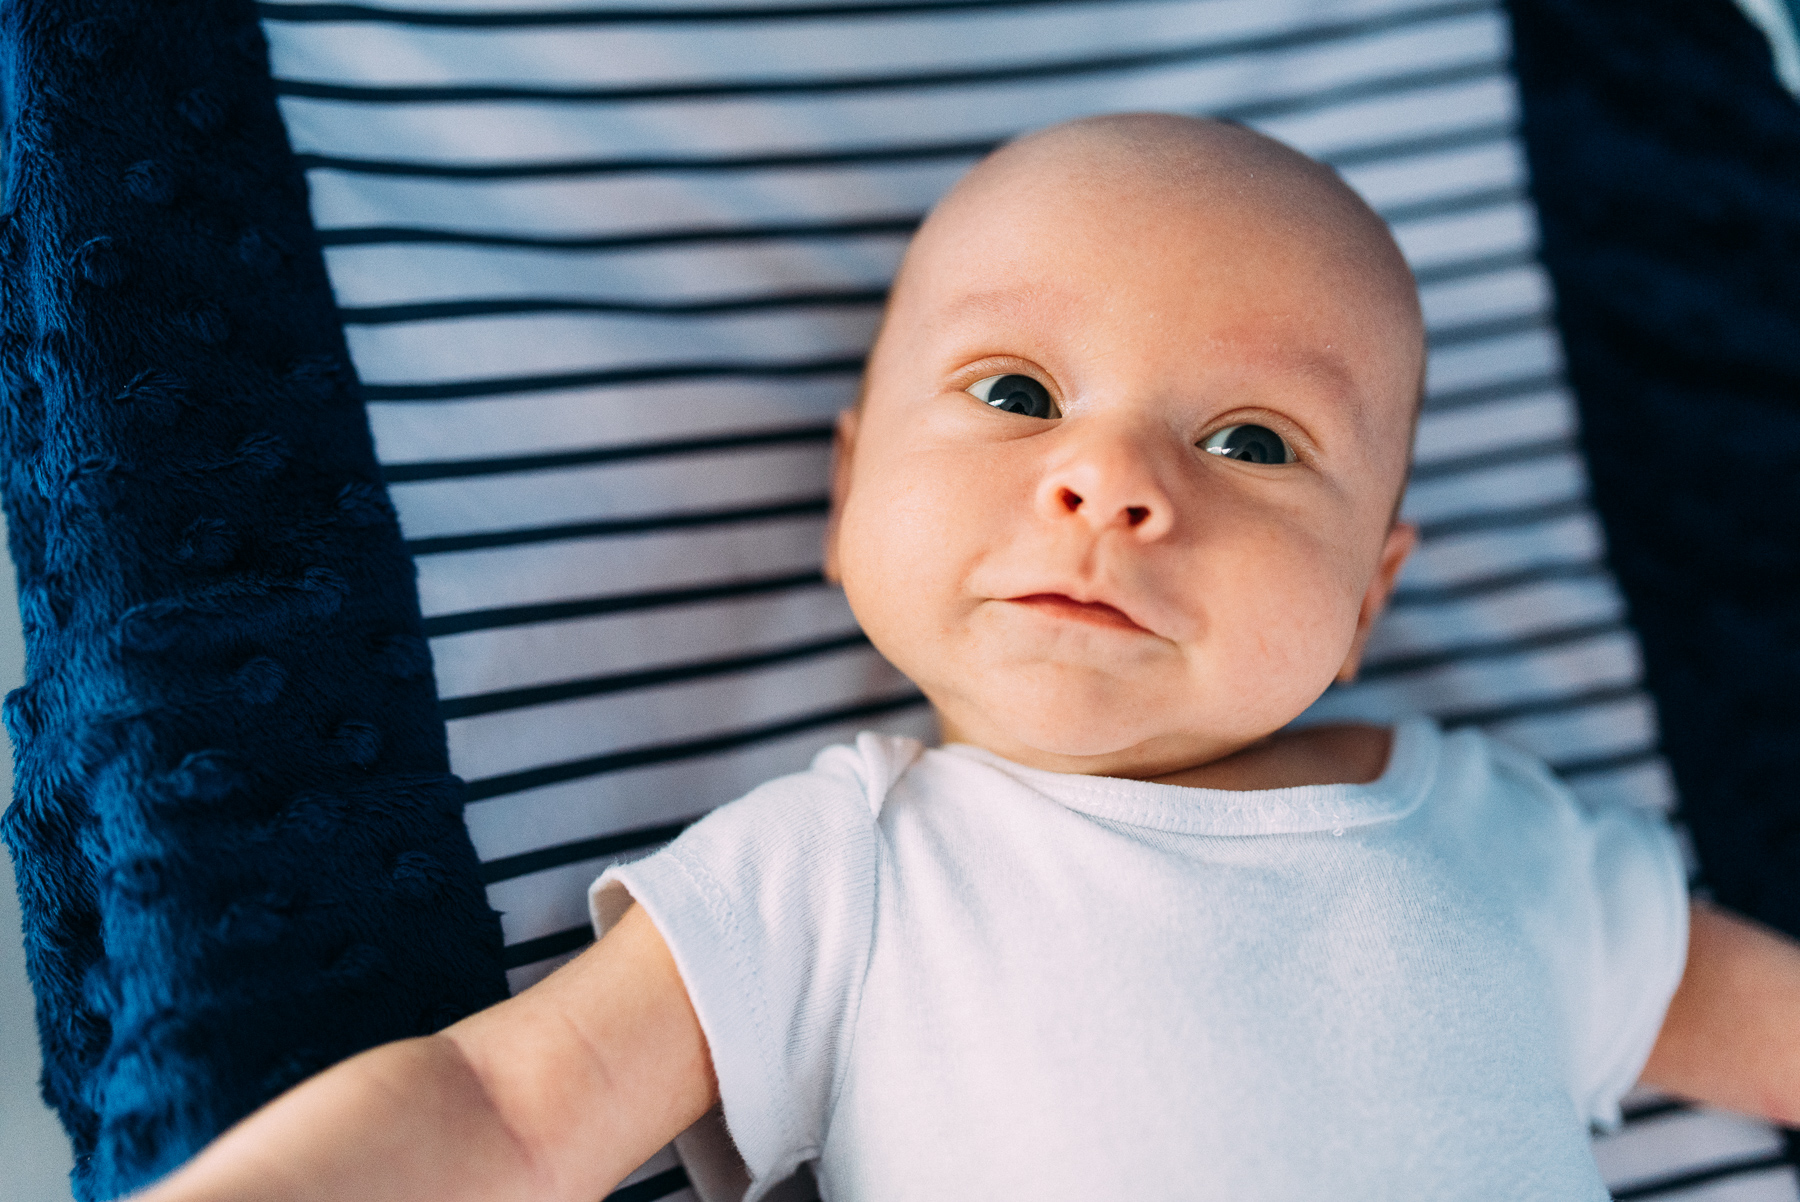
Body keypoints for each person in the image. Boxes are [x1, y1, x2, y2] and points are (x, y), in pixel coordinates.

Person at [133, 114, 1800, 1202]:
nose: (1113, 481)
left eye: (1251, 439)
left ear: (1368, 596)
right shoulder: (851, 870)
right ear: (852, 487)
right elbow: (501, 1114)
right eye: (1016, 395)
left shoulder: (1503, 834)